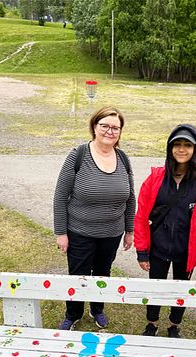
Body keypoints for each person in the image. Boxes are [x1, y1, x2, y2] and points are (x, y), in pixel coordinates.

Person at [53, 106, 135, 331]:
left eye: (115, 127)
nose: (110, 131)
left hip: (112, 233)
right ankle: (73, 314)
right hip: (79, 231)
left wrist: (129, 230)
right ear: (94, 127)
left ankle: (97, 309)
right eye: (105, 126)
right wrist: (61, 233)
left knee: (103, 272)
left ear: (120, 132)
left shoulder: (124, 158)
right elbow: (60, 196)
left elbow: (130, 198)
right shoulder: (78, 155)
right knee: (78, 275)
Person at [134, 124, 196, 338]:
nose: (181, 149)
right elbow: (142, 216)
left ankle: (174, 325)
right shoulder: (155, 179)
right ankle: (152, 323)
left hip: (186, 252)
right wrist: (142, 251)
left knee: (181, 291)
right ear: (170, 148)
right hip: (158, 248)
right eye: (177, 145)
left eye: (187, 145)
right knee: (156, 288)